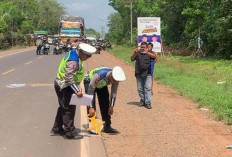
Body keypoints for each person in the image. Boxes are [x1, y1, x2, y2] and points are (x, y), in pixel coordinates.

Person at [50, 43, 96, 139]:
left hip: (65, 85)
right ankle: (70, 133)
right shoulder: (73, 60)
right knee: (68, 109)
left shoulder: (74, 54)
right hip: (64, 86)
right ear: (81, 52)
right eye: (87, 56)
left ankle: (57, 128)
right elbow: (69, 77)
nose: (88, 58)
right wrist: (77, 91)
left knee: (63, 107)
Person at [84, 66, 126, 134]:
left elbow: (114, 93)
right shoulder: (99, 75)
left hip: (102, 84)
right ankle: (93, 127)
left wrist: (111, 106)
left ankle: (107, 126)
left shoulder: (115, 78)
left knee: (105, 103)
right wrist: (91, 106)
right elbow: (90, 91)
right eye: (114, 81)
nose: (115, 83)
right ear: (110, 76)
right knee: (92, 108)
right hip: (90, 82)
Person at [131, 42, 156, 109]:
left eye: (144, 47)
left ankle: (148, 102)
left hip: (148, 74)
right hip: (138, 73)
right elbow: (132, 59)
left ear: (147, 47)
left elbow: (154, 57)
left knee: (147, 88)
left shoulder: (150, 53)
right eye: (141, 47)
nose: (142, 48)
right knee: (140, 89)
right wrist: (134, 53)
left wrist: (147, 52)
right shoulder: (138, 53)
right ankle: (142, 100)